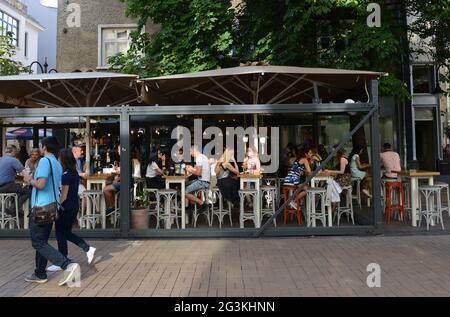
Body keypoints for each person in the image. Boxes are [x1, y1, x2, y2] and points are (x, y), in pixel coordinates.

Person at [23, 137, 80, 286]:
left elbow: (41, 184)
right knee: (42, 241)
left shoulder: (44, 161)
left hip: (41, 206)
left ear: (44, 147)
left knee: (38, 242)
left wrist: (29, 179)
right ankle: (40, 273)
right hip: (52, 207)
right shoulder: (57, 163)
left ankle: (67, 265)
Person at [46, 149, 96, 272]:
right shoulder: (73, 173)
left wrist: (56, 206)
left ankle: (62, 260)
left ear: (63, 160)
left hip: (66, 207)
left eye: (59, 158)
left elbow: (63, 195)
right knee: (66, 233)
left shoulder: (66, 175)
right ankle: (86, 249)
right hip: (73, 206)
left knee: (60, 233)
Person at [0, 145, 31, 215]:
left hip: (3, 188)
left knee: (18, 190)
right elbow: (25, 174)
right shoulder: (13, 160)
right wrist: (29, 181)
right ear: (13, 151)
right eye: (16, 151)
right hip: (7, 186)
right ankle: (12, 209)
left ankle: (14, 209)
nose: (17, 153)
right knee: (28, 191)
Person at [185, 145, 211, 213]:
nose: (190, 153)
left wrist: (190, 170)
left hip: (203, 182)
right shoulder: (202, 156)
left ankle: (202, 204)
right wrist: (191, 168)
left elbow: (198, 173)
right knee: (184, 184)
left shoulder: (199, 158)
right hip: (204, 180)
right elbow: (197, 170)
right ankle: (192, 206)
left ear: (194, 150)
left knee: (184, 192)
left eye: (190, 151)